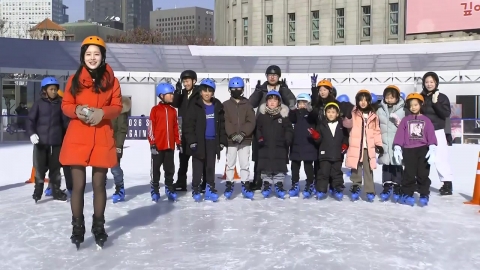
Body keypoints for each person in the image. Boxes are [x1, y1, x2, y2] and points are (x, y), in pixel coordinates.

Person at [60, 36, 123, 250]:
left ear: (103, 56)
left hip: (102, 135)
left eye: (96, 54)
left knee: (99, 185)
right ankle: (77, 227)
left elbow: (118, 106)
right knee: (77, 185)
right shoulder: (74, 79)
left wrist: (103, 112)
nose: (92, 58)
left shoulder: (112, 80)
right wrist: (77, 110)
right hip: (78, 136)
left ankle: (99, 226)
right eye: (88, 54)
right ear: (83, 56)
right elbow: (66, 104)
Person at [249, 65, 296, 191]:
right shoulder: (263, 89)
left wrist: (285, 90)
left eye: (275, 75)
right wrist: (257, 91)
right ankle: (258, 180)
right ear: (266, 76)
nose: (272, 77)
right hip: (262, 124)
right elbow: (251, 103)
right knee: (259, 154)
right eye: (270, 75)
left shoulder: (283, 88)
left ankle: (278, 180)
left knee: (278, 154)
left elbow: (292, 103)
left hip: (278, 126)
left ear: (279, 77)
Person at [183, 79, 227, 202]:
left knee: (210, 166)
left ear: (213, 92)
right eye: (204, 91)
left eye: (210, 91)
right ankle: (196, 188)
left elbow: (222, 125)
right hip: (199, 142)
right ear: (201, 92)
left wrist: (222, 140)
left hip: (212, 141)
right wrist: (192, 141)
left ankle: (210, 187)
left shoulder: (217, 105)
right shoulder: (195, 106)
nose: (207, 93)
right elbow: (188, 125)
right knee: (198, 166)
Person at [28, 77, 68, 203]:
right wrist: (32, 133)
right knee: (40, 168)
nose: (54, 91)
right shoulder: (39, 104)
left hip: (56, 142)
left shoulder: (61, 104)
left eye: (55, 89)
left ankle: (56, 191)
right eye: (51, 89)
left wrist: (67, 138)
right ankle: (38, 190)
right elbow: (30, 120)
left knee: (55, 168)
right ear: (44, 90)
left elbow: (65, 123)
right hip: (41, 142)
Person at [393, 93, 437, 206]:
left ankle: (424, 194)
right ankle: (407, 194)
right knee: (409, 173)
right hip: (409, 150)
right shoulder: (405, 120)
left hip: (423, 150)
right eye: (411, 105)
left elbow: (430, 134)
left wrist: (432, 147)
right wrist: (397, 146)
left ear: (421, 104)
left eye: (416, 104)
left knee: (423, 173)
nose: (413, 107)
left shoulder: (426, 120)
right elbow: (400, 134)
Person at [343, 90, 383, 202]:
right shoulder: (354, 113)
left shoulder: (373, 115)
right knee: (356, 168)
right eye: (361, 100)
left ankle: (370, 190)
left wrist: (378, 145)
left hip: (368, 147)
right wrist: (347, 116)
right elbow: (347, 124)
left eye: (366, 100)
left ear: (369, 101)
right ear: (357, 101)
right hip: (355, 146)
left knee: (368, 169)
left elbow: (376, 131)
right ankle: (356, 186)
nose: (363, 102)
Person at [171, 70, 206, 192]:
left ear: (194, 81)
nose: (186, 84)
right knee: (183, 159)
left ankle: (203, 182)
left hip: (196, 131)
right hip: (184, 131)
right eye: (184, 81)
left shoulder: (199, 93)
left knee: (200, 159)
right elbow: (174, 103)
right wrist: (177, 92)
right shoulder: (182, 94)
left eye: (187, 81)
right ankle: (181, 182)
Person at [256, 91, 294, 199]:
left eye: (275, 100)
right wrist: (260, 138)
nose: (272, 102)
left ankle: (278, 184)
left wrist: (287, 138)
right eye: (270, 100)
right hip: (265, 145)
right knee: (266, 165)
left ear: (279, 102)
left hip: (280, 146)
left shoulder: (283, 115)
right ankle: (267, 184)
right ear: (266, 102)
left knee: (279, 166)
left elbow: (289, 129)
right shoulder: (262, 116)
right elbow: (258, 129)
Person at [420, 71, 453, 195]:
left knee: (441, 157)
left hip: (437, 130)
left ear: (436, 83)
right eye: (427, 82)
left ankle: (447, 183)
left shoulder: (442, 97)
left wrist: (436, 103)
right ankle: (422, 182)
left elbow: (446, 114)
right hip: (421, 131)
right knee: (422, 157)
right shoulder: (420, 97)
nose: (429, 84)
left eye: (431, 82)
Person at [222, 76, 256, 199]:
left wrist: (242, 133)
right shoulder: (225, 105)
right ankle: (229, 184)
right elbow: (225, 121)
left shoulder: (247, 104)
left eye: (239, 88)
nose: (236, 90)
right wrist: (232, 134)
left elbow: (251, 121)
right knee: (230, 163)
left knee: (244, 164)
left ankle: (245, 184)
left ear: (242, 89)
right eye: (233, 88)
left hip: (245, 139)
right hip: (231, 140)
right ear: (229, 89)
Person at [148, 83, 181, 202]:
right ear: (161, 95)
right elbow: (151, 127)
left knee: (169, 169)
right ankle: (155, 188)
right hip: (158, 146)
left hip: (169, 146)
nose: (172, 96)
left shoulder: (173, 111)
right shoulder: (155, 110)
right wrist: (152, 143)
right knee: (156, 169)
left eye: (172, 94)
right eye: (170, 94)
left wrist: (178, 142)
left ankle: (169, 187)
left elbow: (175, 127)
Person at [310, 102, 349, 200]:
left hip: (337, 155)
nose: (331, 114)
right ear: (325, 113)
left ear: (337, 113)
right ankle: (321, 190)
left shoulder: (341, 125)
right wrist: (316, 136)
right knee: (323, 173)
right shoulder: (321, 125)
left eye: (333, 112)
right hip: (324, 154)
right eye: (328, 112)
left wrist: (345, 145)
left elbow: (345, 137)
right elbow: (319, 140)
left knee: (337, 173)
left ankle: (338, 189)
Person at [376, 85, 406, 201]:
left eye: (392, 97)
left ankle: (398, 186)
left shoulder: (403, 110)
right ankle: (387, 186)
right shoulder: (380, 110)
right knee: (386, 166)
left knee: (397, 165)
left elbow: (406, 126)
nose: (389, 99)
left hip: (397, 143)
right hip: (384, 142)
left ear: (397, 98)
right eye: (387, 97)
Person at [44, 89, 73, 196]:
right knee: (60, 165)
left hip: (62, 141)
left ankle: (61, 187)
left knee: (60, 165)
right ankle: (54, 187)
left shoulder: (62, 109)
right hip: (58, 140)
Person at [288, 93, 317, 198]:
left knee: (308, 166)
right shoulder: (295, 113)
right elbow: (291, 119)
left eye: (304, 103)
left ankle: (310, 184)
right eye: (300, 103)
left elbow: (314, 117)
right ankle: (295, 184)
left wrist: (311, 110)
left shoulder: (310, 114)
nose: (302, 105)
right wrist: (291, 109)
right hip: (296, 144)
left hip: (308, 144)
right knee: (295, 165)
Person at [110, 96, 131, 203]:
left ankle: (120, 188)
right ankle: (99, 190)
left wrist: (118, 147)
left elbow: (122, 130)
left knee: (115, 168)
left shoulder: (120, 111)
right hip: (102, 144)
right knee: (100, 169)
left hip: (114, 145)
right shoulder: (103, 107)